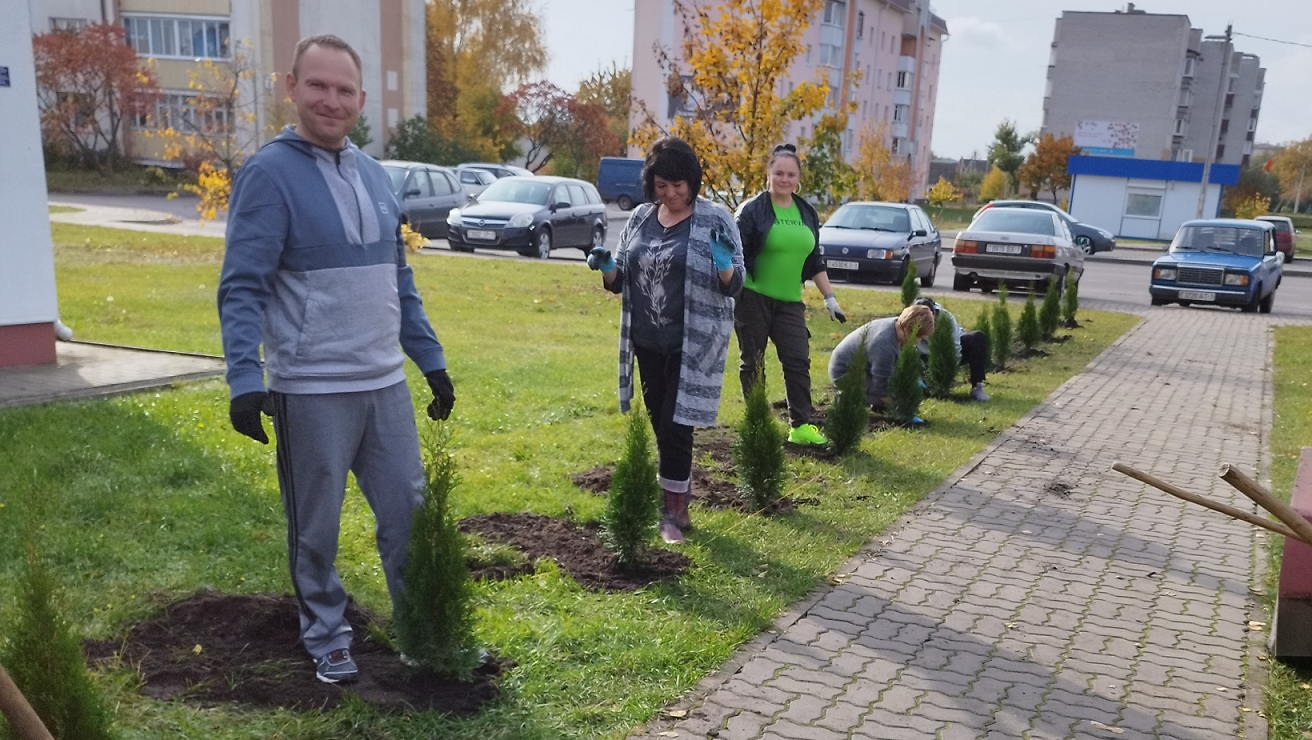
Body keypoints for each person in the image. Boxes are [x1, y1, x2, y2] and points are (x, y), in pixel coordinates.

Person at [217, 34, 455, 685]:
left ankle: (421, 629)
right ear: (291, 87)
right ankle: (325, 633)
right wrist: (245, 378)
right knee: (315, 528)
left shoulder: (376, 176)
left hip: (384, 385)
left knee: (409, 514)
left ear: (362, 99)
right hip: (311, 389)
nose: (331, 99)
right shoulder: (268, 174)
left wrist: (429, 361)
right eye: (317, 85)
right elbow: (242, 286)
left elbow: (398, 281)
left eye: (344, 89)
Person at [586, 136, 744, 544]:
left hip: (693, 344)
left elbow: (736, 285)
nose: (671, 194)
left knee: (676, 425)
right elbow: (620, 279)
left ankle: (673, 513)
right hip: (647, 342)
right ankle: (679, 495)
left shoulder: (714, 217)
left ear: (692, 181)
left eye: (678, 185)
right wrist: (606, 267)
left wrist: (723, 264)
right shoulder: (640, 217)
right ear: (651, 185)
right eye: (661, 186)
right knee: (661, 423)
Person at [734, 144, 846, 446]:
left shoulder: (806, 211)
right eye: (779, 173)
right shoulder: (751, 211)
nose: (785, 179)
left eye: (791, 174)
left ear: (798, 178)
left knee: (798, 360)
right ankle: (756, 420)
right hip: (753, 297)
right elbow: (733, 255)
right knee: (753, 363)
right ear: (768, 174)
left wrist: (829, 298)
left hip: (790, 301)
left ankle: (800, 426)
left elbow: (814, 260)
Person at [828, 304, 936, 410]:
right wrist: (900, 408)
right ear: (907, 329)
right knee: (896, 397)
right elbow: (881, 385)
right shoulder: (884, 344)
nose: (918, 342)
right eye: (918, 336)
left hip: (867, 367)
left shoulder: (899, 324)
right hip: (845, 372)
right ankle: (847, 396)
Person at [912, 297, 991, 401]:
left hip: (948, 353)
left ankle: (977, 387)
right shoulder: (910, 317)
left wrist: (948, 372)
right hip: (923, 356)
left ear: (934, 313)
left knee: (977, 337)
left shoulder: (946, 318)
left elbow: (954, 348)